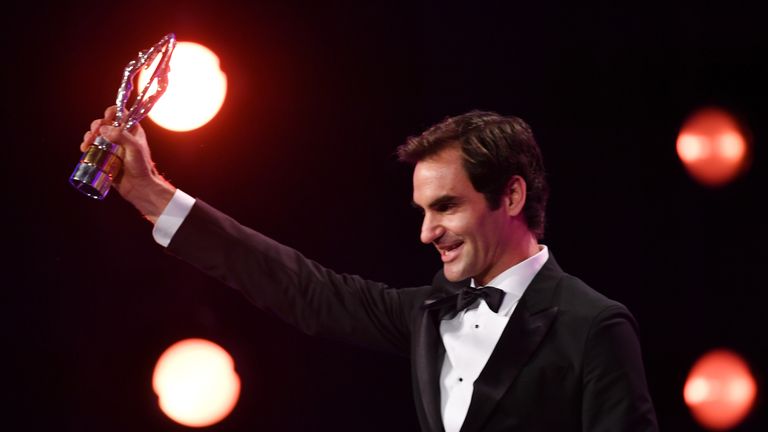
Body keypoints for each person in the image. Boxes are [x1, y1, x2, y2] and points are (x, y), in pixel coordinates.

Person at [81, 107, 658, 431]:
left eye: (447, 206)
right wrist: (151, 193)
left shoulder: (595, 326)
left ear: (509, 197)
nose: (427, 232)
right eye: (423, 210)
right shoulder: (427, 312)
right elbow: (300, 288)